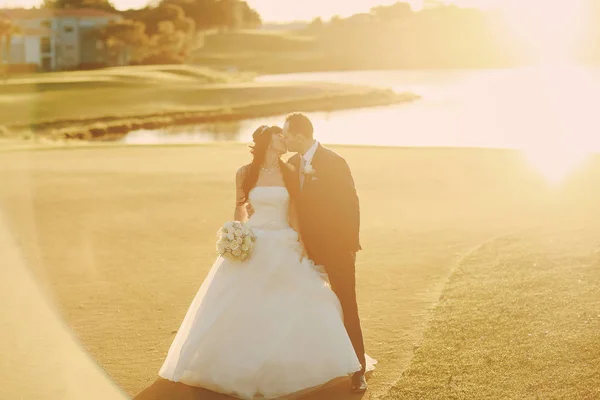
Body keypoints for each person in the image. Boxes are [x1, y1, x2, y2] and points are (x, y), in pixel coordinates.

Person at [158, 125, 373, 400]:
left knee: (297, 303)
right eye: (278, 135)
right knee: (240, 303)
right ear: (266, 141)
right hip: (254, 241)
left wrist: (302, 246)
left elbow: (295, 211)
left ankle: (334, 365)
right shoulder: (244, 173)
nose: (284, 138)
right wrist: (234, 233)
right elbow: (240, 208)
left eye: (286, 134)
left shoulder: (290, 170)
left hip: (284, 242)